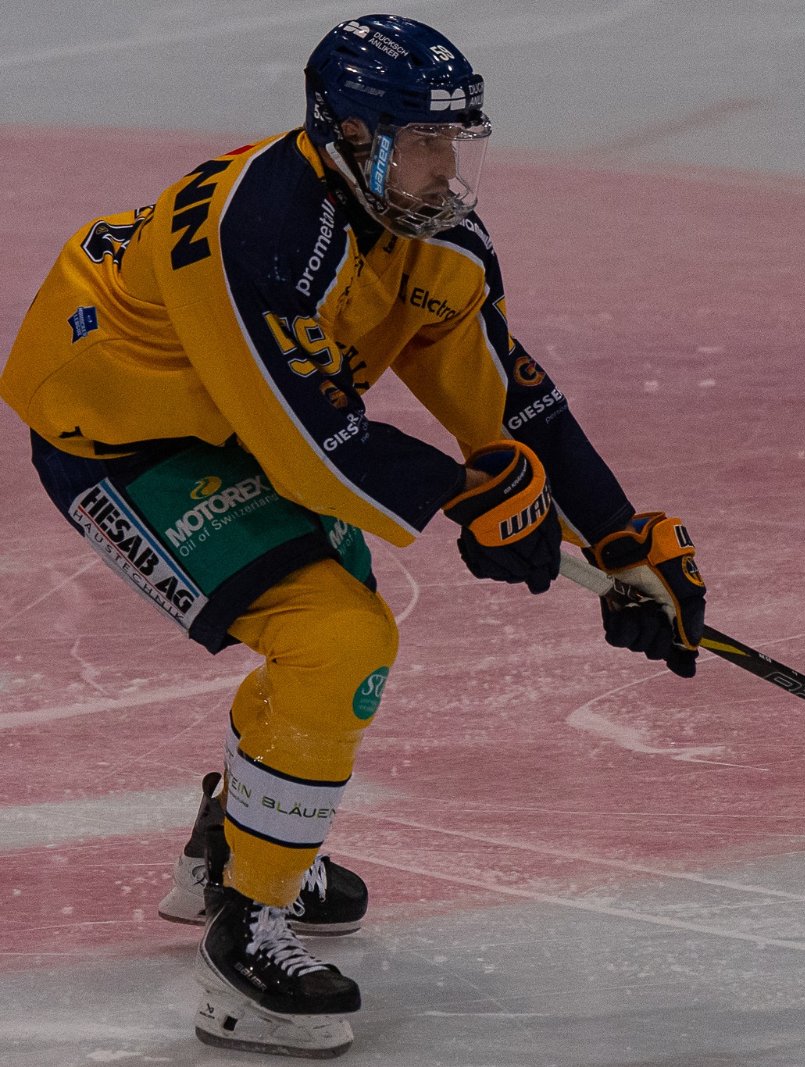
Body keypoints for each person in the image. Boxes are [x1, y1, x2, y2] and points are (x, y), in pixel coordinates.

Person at [0, 13, 706, 1058]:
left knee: (335, 636)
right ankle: (246, 933)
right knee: (338, 637)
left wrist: (617, 536)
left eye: (456, 141)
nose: (444, 168)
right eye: (421, 142)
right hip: (119, 437)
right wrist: (467, 497)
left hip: (249, 424)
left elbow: (512, 398)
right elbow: (309, 450)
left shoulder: (427, 234)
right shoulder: (260, 228)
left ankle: (233, 840)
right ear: (349, 133)